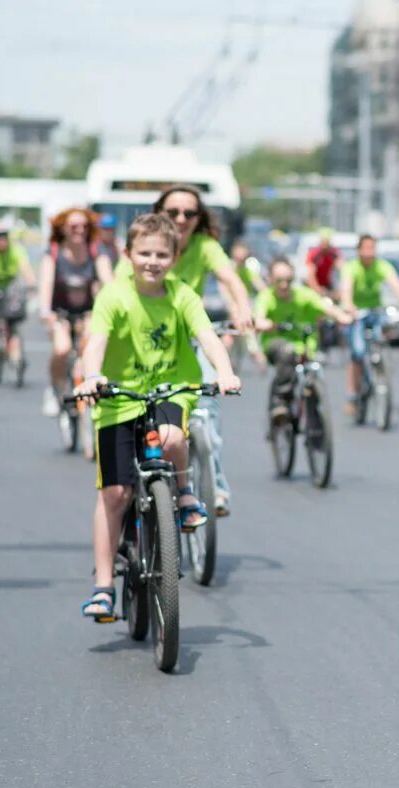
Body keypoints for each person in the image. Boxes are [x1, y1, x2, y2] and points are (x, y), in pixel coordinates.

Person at [73, 214, 241, 620]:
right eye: (144, 253)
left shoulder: (182, 294)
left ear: (174, 256)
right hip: (117, 398)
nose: (152, 261)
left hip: (170, 387)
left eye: (161, 254)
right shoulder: (114, 295)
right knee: (114, 495)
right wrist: (92, 376)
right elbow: (96, 341)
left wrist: (224, 372)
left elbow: (206, 336)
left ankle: (182, 495)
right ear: (128, 255)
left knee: (173, 439)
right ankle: (103, 587)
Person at [36, 208, 115, 417]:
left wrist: (113, 306)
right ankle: (54, 390)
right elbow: (46, 283)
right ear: (62, 228)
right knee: (62, 349)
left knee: (91, 343)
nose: (79, 231)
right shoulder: (53, 253)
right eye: (73, 226)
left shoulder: (96, 251)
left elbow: (109, 283)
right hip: (59, 312)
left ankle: (87, 381)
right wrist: (45, 311)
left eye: (84, 226)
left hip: (88, 311)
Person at [254, 257, 352, 421]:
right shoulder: (266, 296)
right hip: (275, 345)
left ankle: (316, 428)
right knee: (287, 352)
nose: (284, 285)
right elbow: (258, 317)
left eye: (288, 280)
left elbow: (325, 307)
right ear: (271, 280)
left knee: (313, 378)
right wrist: (264, 323)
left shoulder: (303, 294)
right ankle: (280, 401)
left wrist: (342, 316)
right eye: (279, 281)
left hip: (305, 346)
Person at [337, 234, 399, 413]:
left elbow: (397, 285)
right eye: (366, 248)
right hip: (356, 313)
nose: (370, 252)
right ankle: (352, 395)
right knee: (357, 352)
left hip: (375, 311)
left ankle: (381, 372)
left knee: (381, 339)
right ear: (359, 250)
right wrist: (348, 307)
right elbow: (346, 290)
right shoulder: (351, 268)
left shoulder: (382, 266)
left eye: (373, 248)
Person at [0, 218, 36, 367]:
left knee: (13, 318)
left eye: (4, 237)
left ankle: (15, 355)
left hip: (10, 287)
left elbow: (25, 267)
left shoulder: (16, 249)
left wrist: (31, 284)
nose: (1, 241)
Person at [305, 228, 342, 297]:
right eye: (323, 242)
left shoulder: (334, 253)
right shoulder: (314, 254)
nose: (325, 245)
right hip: (313, 286)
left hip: (328, 285)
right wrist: (318, 290)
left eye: (327, 242)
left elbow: (342, 268)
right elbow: (310, 276)